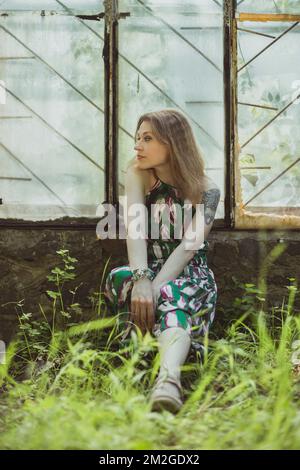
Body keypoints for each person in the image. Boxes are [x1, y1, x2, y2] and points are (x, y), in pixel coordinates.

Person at [103, 109, 220, 413]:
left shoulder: (209, 191)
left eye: (147, 138)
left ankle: (168, 381)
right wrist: (142, 279)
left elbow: (189, 247)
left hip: (190, 274)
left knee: (169, 294)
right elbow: (135, 230)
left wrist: (154, 287)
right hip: (148, 267)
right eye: (136, 138)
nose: (137, 146)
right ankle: (150, 354)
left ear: (172, 143)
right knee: (120, 277)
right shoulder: (138, 174)